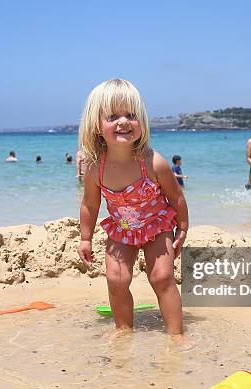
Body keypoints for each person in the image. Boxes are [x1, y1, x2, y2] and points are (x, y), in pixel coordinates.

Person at [77, 79, 188, 340]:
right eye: (113, 116)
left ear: (142, 122)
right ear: (96, 125)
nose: (124, 121)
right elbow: (90, 205)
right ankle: (124, 329)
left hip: (156, 226)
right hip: (121, 229)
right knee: (116, 280)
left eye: (131, 115)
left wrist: (182, 226)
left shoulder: (152, 162)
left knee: (162, 277)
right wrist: (85, 238)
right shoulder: (96, 169)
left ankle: (177, 334)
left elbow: (176, 196)